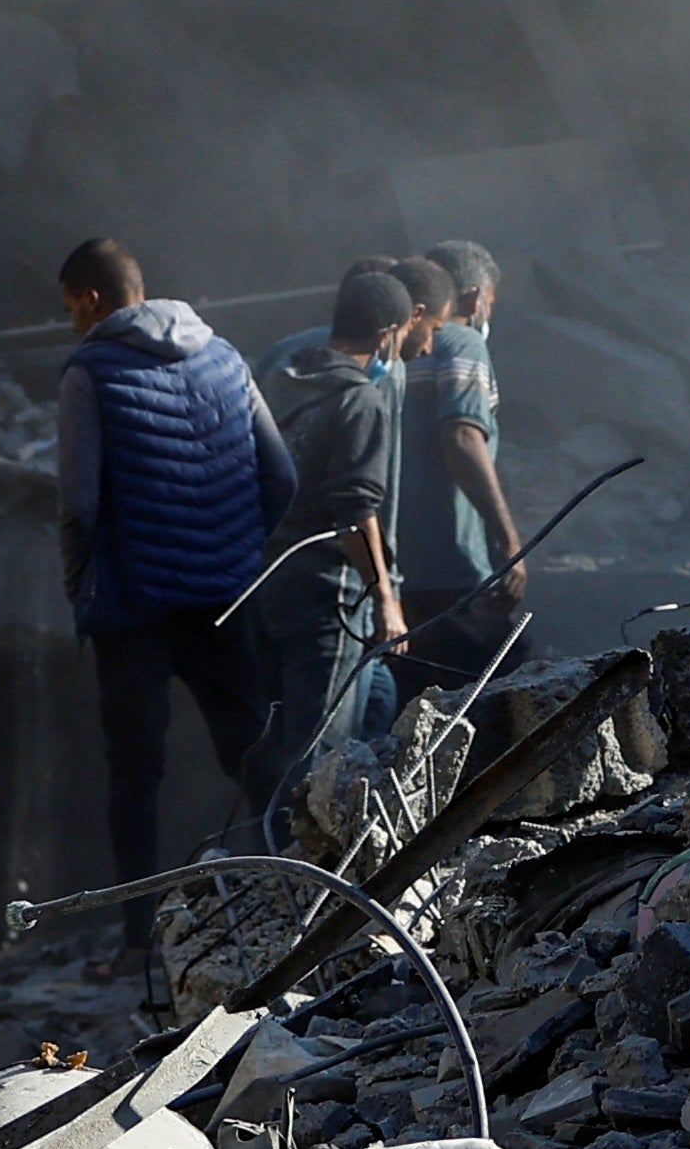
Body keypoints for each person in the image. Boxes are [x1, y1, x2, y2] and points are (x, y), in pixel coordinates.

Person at [50, 237, 298, 941]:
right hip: (222, 594)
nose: (72, 324)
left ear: (93, 300)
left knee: (135, 774)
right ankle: (299, 894)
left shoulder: (89, 371)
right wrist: (239, 550)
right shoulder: (226, 358)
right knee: (250, 749)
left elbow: (79, 503)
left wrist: (79, 589)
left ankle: (138, 935)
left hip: (132, 608)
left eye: (71, 309)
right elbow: (281, 479)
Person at [260, 267, 415, 841]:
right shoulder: (360, 400)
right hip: (328, 591)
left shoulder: (284, 380)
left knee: (376, 699)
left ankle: (356, 838)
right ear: (388, 335)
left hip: (270, 579)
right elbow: (355, 511)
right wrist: (387, 599)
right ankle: (297, 874)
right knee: (314, 745)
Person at [398, 238, 526, 674]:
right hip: (452, 565)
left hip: (396, 567)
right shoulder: (462, 342)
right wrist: (508, 541)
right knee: (487, 686)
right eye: (490, 302)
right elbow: (463, 439)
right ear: (474, 297)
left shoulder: (394, 348)